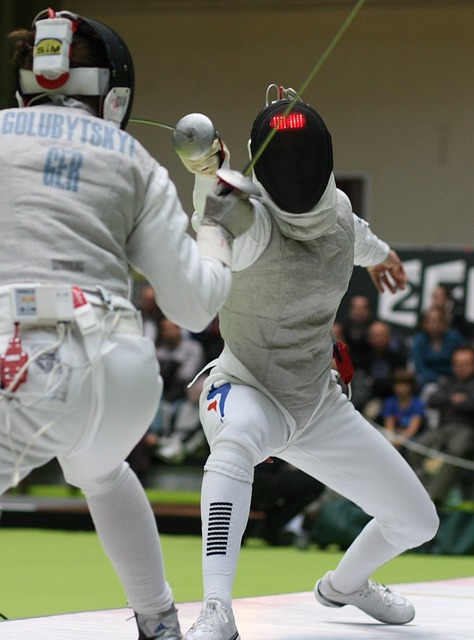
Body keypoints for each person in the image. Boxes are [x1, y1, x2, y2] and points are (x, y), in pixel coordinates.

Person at [0, 9, 254, 639]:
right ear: (112, 93)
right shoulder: (133, 159)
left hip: (25, 358)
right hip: (123, 376)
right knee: (101, 471)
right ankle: (159, 622)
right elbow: (195, 306)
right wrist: (216, 227)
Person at [175, 85, 439, 638]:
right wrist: (208, 176)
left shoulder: (337, 212)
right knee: (234, 442)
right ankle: (216, 609)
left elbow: (355, 236)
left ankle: (344, 586)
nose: (295, 170)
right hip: (247, 388)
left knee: (417, 521)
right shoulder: (250, 222)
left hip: (318, 404)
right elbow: (219, 218)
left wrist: (383, 256)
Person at [409, 346, 474, 507]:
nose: (461, 368)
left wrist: (450, 401)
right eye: (457, 364)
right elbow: (432, 399)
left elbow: (471, 405)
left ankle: (434, 496)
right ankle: (424, 491)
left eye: (465, 364)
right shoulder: (447, 381)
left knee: (456, 450)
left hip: (467, 429)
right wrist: (455, 399)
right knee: (416, 448)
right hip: (442, 428)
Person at [381, 369, 425, 454]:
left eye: (402, 384)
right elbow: (389, 426)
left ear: (410, 386)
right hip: (394, 437)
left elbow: (413, 429)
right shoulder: (390, 402)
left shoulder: (417, 403)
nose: (398, 387)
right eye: (396, 384)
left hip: (412, 439)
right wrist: (391, 439)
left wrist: (399, 441)